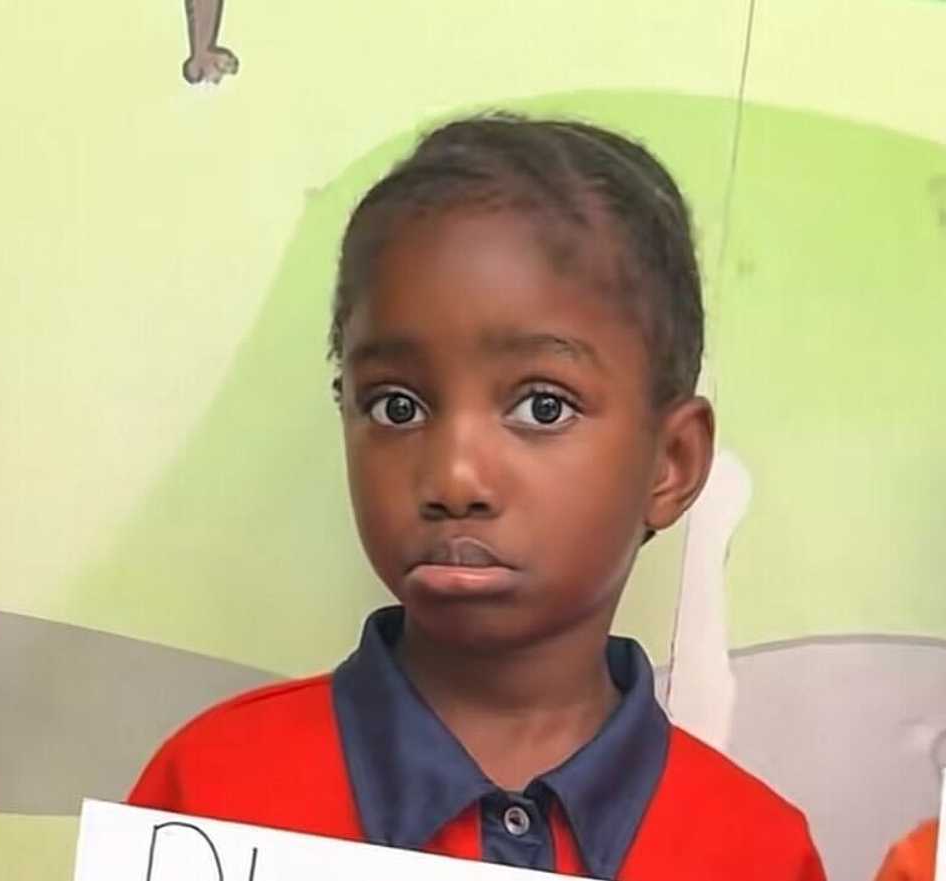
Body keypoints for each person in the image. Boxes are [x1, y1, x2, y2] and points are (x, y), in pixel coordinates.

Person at [128, 113, 826, 879]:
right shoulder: (208, 792)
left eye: (542, 406)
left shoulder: (756, 851)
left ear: (672, 461)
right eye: (397, 406)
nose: (455, 477)